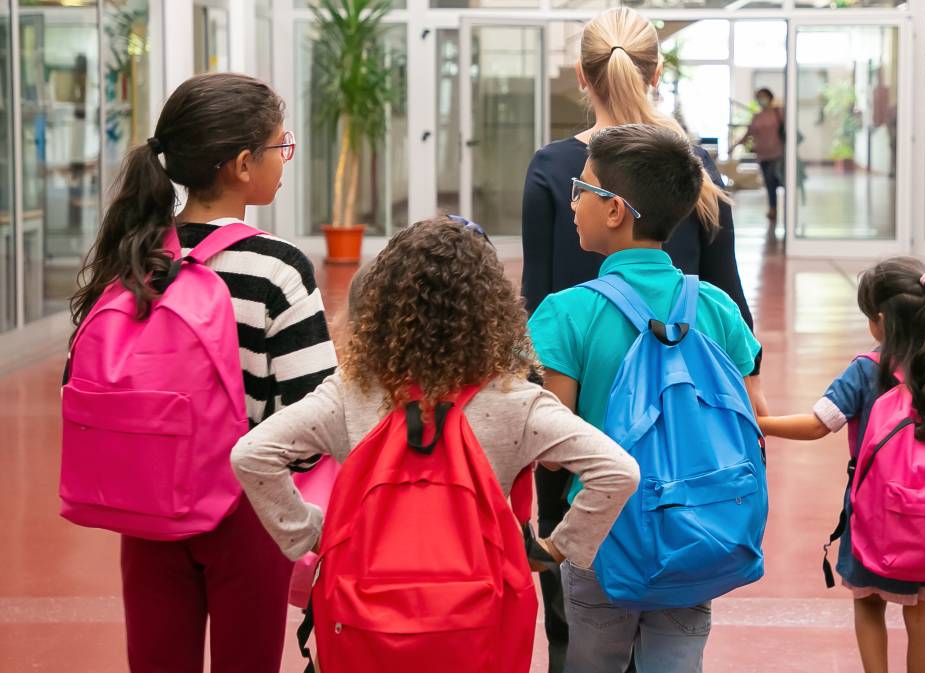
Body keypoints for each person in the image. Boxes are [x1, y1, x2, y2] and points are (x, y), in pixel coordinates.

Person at [68, 73, 337, 673]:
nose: (284, 159)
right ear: (243, 164)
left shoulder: (135, 255)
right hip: (246, 508)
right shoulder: (277, 268)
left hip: (146, 505)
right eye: (279, 147)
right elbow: (316, 409)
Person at [520, 9, 764, 669]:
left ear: (583, 76)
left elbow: (533, 302)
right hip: (692, 490)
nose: (576, 201)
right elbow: (735, 323)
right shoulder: (691, 170)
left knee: (586, 636)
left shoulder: (554, 173)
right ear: (657, 73)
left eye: (583, 195)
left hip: (590, 473)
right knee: (678, 632)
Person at [230, 215, 639, 595]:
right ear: (491, 312)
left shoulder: (349, 394)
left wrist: (314, 535)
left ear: (382, 306)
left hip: (367, 607)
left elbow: (252, 455)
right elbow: (616, 471)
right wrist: (558, 549)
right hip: (476, 606)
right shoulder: (516, 402)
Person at [757, 257, 925, 673]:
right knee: (924, 613)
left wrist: (760, 424)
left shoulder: (867, 372)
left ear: (880, 322)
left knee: (868, 601)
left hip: (877, 512)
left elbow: (819, 425)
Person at [733, 87, 786, 225]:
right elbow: (748, 134)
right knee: (769, 183)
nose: (761, 100)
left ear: (769, 97)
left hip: (778, 154)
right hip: (763, 155)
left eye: (763, 96)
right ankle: (773, 208)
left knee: (775, 179)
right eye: (758, 97)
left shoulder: (778, 113)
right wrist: (734, 146)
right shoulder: (757, 116)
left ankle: (783, 209)